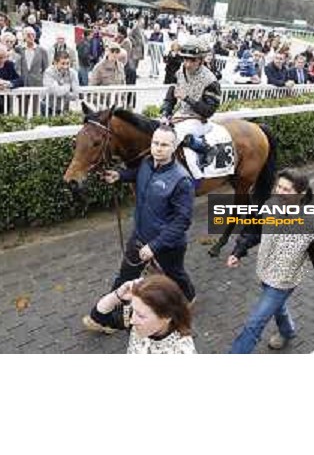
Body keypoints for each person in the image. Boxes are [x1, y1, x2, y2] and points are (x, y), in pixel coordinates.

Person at [82, 124, 196, 334]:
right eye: (155, 143)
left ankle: (189, 297)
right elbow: (138, 173)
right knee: (125, 275)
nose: (158, 148)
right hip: (139, 236)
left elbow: (182, 222)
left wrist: (155, 246)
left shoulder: (182, 180)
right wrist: (120, 176)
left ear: (173, 147)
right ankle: (104, 318)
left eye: (164, 144)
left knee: (175, 275)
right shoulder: (147, 162)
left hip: (167, 245)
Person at [228, 169, 314, 353]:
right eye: (278, 186)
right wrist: (238, 251)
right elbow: (253, 231)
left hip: (283, 281)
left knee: (253, 324)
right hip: (265, 270)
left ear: (300, 194)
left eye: (286, 189)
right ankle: (287, 331)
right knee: (277, 307)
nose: (280, 192)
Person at [86, 275, 196, 354]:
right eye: (134, 310)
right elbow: (98, 316)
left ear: (166, 317)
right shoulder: (135, 317)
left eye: (141, 316)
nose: (132, 320)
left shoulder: (181, 351)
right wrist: (117, 296)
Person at [160, 37, 220, 169]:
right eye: (185, 59)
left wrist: (187, 98)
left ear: (201, 60)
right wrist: (165, 112)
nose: (187, 64)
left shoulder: (211, 81)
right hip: (180, 116)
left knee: (177, 135)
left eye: (192, 60)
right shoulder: (180, 73)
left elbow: (208, 111)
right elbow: (170, 97)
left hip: (199, 120)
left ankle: (207, 149)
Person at [42, 51, 79, 115]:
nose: (65, 66)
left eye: (68, 63)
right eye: (63, 63)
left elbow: (76, 94)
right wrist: (68, 86)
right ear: (55, 63)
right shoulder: (48, 72)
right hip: (48, 107)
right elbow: (57, 92)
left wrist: (62, 90)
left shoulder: (73, 73)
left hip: (64, 107)